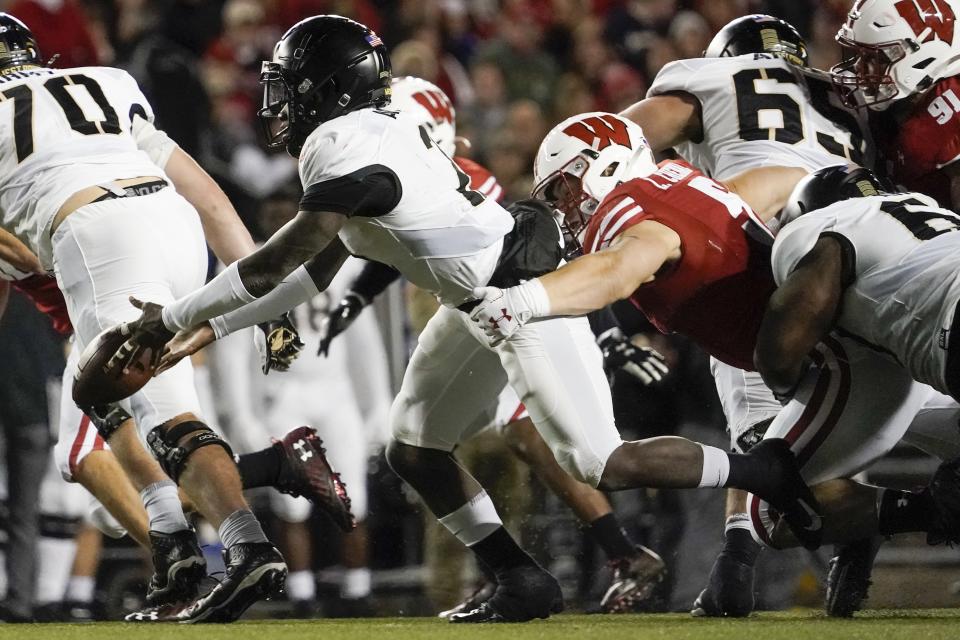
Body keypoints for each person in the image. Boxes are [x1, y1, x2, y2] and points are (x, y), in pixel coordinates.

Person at [112, 15, 822, 624]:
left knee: (603, 462)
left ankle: (764, 469)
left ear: (324, 87)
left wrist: (170, 316)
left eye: (287, 84)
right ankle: (519, 577)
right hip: (476, 300)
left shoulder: (343, 144)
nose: (275, 102)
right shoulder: (368, 132)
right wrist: (209, 328)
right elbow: (310, 274)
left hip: (520, 293)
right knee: (413, 447)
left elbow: (276, 263)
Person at [326, 75, 669, 614]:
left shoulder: (457, 180)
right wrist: (356, 299)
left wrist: (607, 333)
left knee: (524, 440)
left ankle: (608, 555)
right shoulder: (412, 174)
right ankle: (521, 569)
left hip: (500, 316)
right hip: (469, 318)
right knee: (436, 448)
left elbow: (545, 262)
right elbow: (384, 244)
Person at [0, 12, 286, 622]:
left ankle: (241, 546)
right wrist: (264, 297)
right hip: (174, 225)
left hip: (97, 234)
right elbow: (204, 189)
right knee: (134, 403)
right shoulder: (105, 82)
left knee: (133, 404)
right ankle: (179, 547)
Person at [616, 14, 874, 617]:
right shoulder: (847, 97)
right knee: (867, 395)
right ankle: (855, 527)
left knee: (756, 411)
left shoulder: (710, 77)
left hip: (767, 237)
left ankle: (738, 562)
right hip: (863, 244)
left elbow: (616, 140)